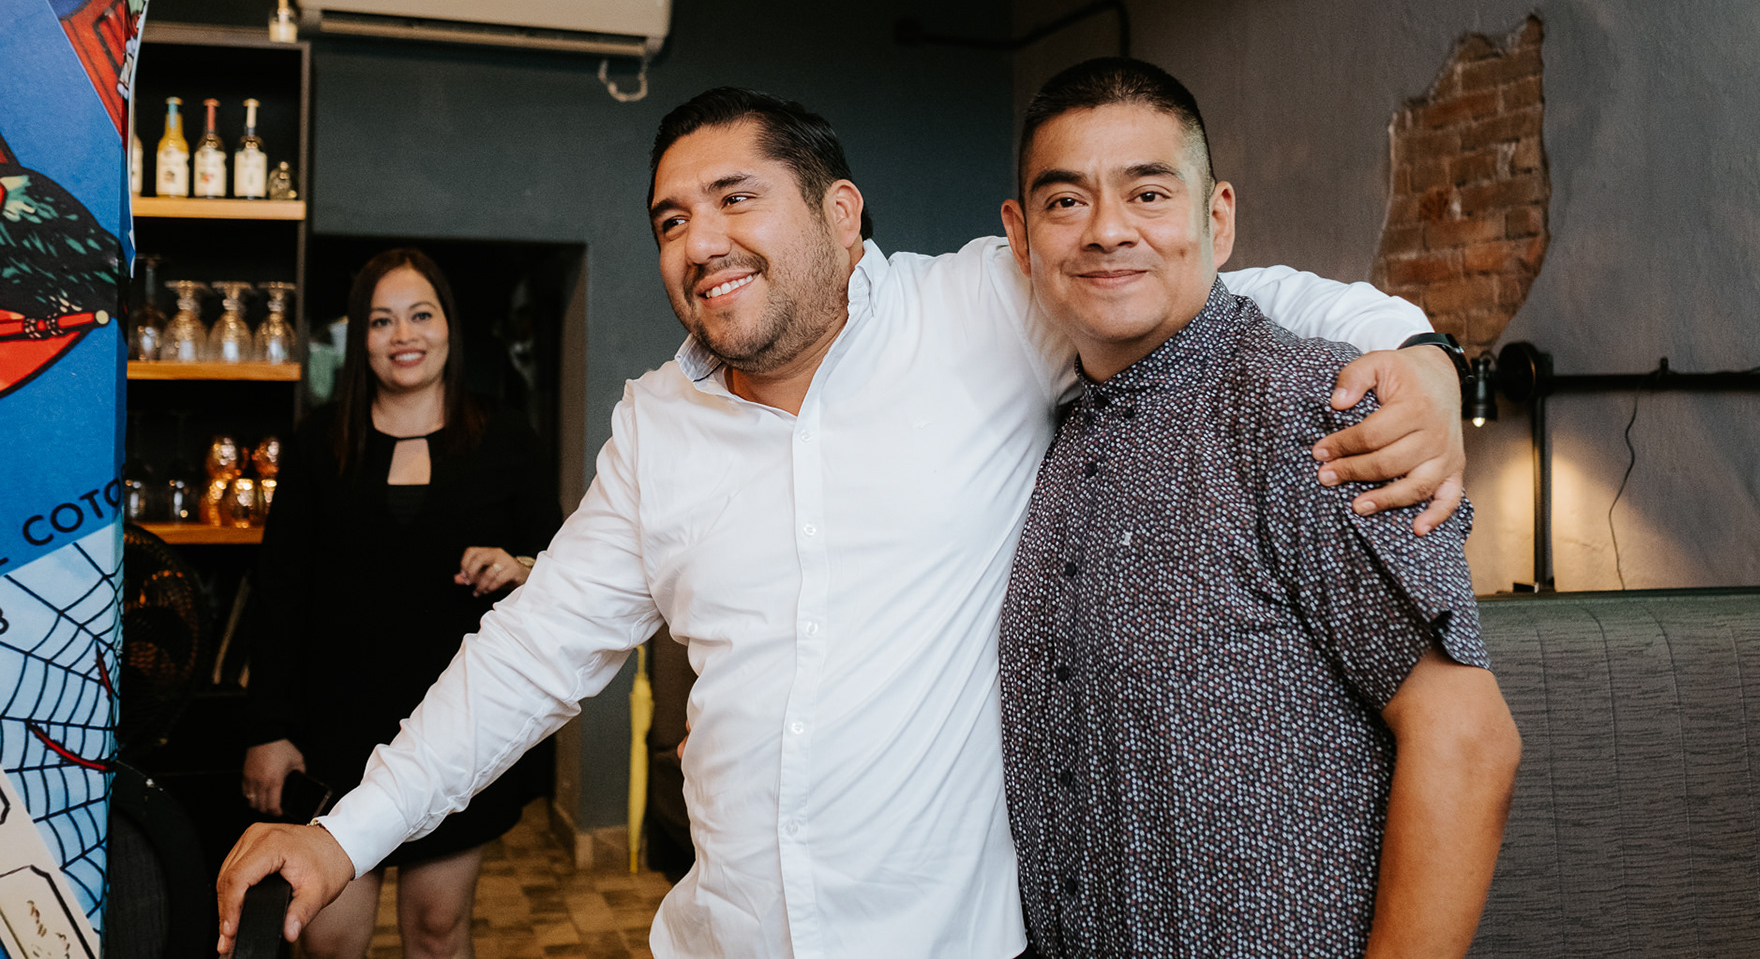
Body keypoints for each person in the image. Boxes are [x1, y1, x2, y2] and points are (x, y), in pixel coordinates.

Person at [217, 87, 1470, 959]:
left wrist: (1421, 356)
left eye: (736, 198)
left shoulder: (982, 312)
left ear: (841, 213)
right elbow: (530, 655)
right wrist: (342, 834)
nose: (700, 242)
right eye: (671, 219)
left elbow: (1210, 286)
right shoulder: (656, 426)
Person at [997, 59, 1520, 958]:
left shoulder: (1307, 408)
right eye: (1066, 202)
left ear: (1218, 219)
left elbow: (1468, 743)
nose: (1107, 230)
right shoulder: (1053, 434)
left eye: (1149, 194)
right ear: (1022, 236)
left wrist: (1431, 357)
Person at [241, 247, 561, 959]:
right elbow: (279, 592)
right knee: (329, 941)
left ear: (449, 326)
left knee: (438, 933)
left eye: (421, 315)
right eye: (381, 320)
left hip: (457, 727)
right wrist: (269, 729)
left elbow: (564, 568)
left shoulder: (507, 437)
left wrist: (518, 566)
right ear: (359, 337)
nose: (403, 335)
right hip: (333, 736)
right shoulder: (319, 442)